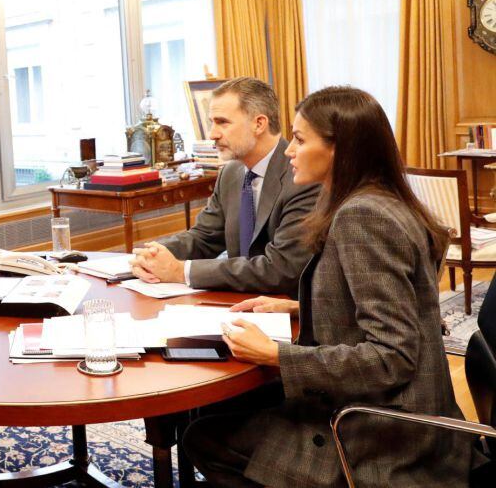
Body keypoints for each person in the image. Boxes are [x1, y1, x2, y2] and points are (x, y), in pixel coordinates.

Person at [183, 86, 471, 487]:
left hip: (382, 434)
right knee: (224, 411)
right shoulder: (380, 200)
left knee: (202, 434)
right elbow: (401, 303)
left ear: (339, 148)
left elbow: (392, 357)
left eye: (300, 140)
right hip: (405, 415)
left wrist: (276, 355)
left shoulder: (362, 217)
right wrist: (301, 308)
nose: (288, 150)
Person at [129, 77, 319, 295]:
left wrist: (181, 271)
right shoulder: (231, 172)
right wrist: (152, 255)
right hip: (235, 300)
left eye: (222, 122)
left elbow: (282, 269)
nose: (212, 134)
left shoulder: (303, 176)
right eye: (212, 122)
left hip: (286, 309)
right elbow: (204, 237)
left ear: (259, 124)